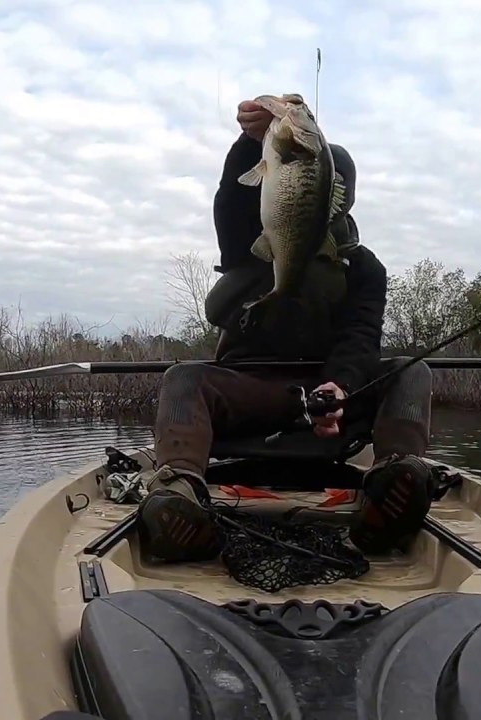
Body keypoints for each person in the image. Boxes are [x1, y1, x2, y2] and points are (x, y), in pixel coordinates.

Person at [134, 98, 435, 562]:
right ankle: (180, 492)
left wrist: (342, 385)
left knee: (411, 372)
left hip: (329, 400)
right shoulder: (253, 244)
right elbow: (231, 200)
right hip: (251, 391)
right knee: (183, 378)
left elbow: (361, 337)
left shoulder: (364, 268)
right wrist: (248, 143)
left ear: (340, 194)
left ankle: (393, 482)